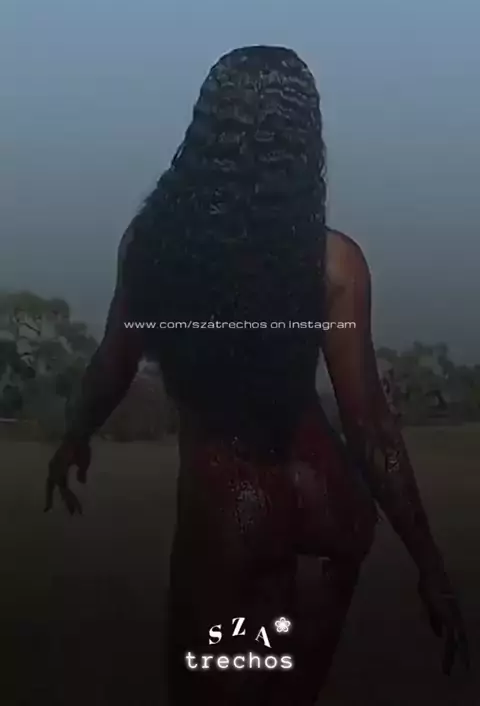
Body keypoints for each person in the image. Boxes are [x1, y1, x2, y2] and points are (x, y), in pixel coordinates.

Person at [45, 46, 468, 705]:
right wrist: (429, 565)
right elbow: (371, 429)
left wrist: (77, 433)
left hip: (231, 511)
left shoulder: (152, 247)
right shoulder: (335, 264)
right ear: (303, 139)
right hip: (331, 509)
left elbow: (114, 363)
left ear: (206, 130)